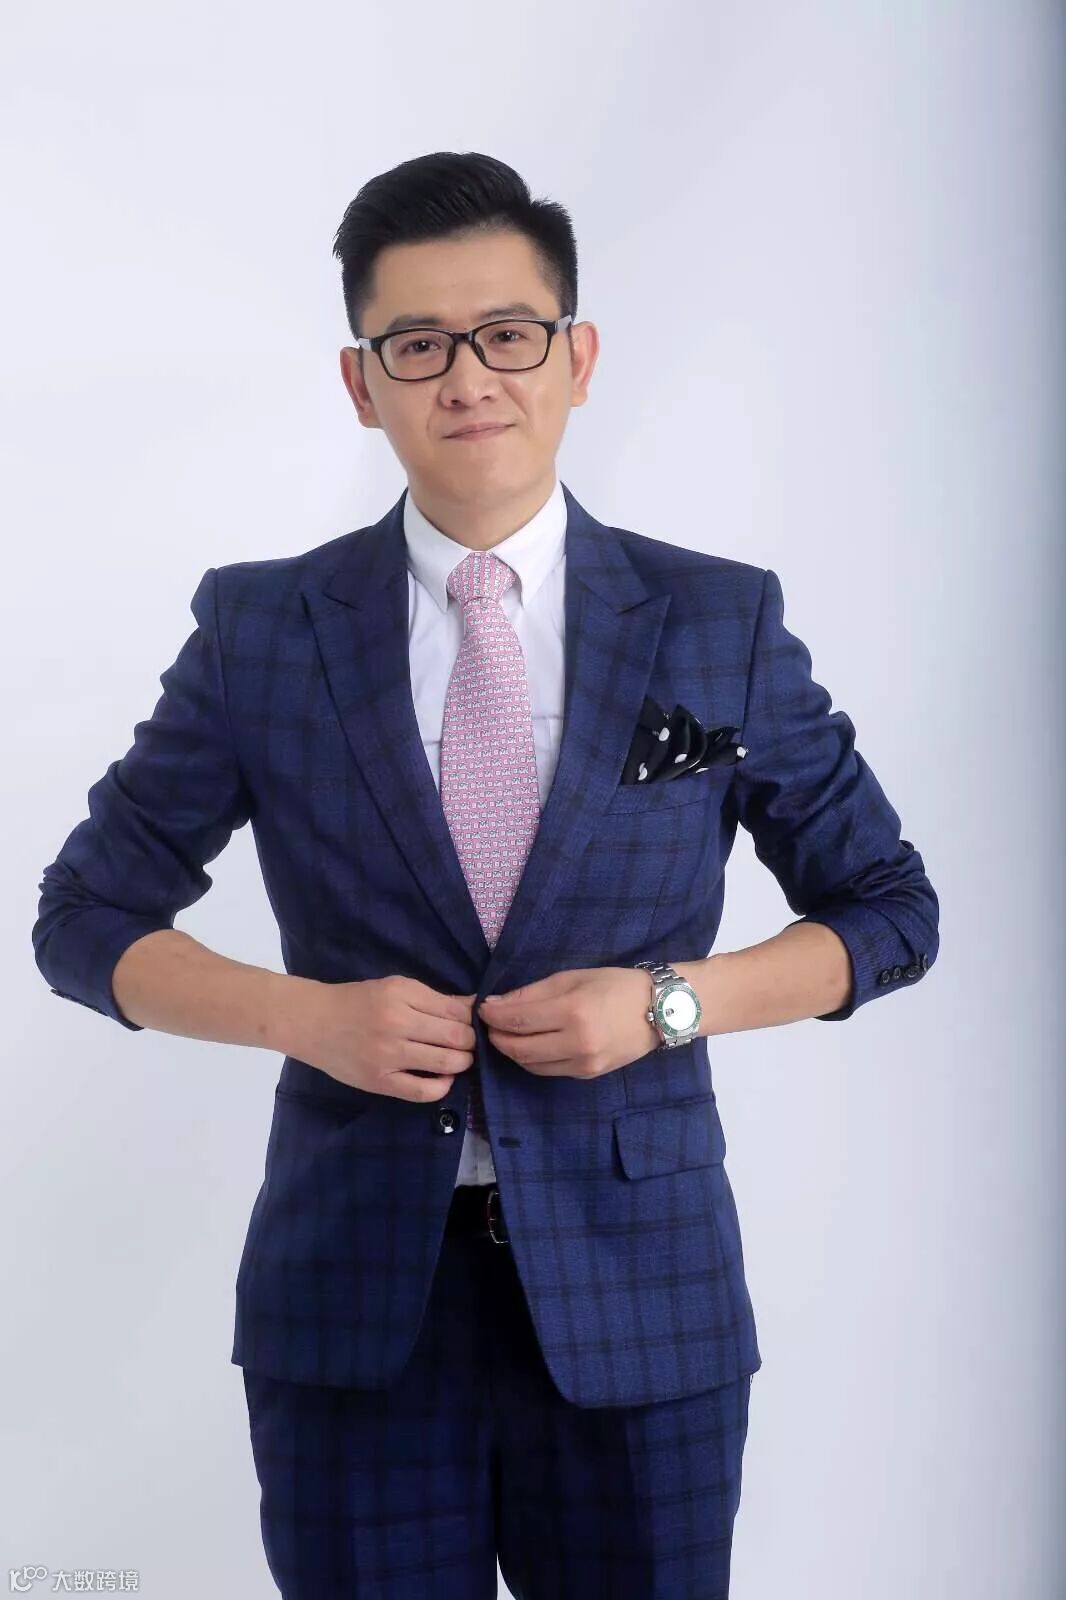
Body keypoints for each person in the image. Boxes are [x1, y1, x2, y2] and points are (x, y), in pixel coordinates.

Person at [32, 150, 940, 1599]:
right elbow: (84, 917)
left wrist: (668, 1004)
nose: (468, 378)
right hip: (353, 1301)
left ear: (577, 357)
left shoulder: (713, 622)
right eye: (418, 345)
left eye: (508, 334)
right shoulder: (264, 632)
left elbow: (888, 909)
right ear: (362, 383)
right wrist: (306, 1018)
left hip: (643, 1297)